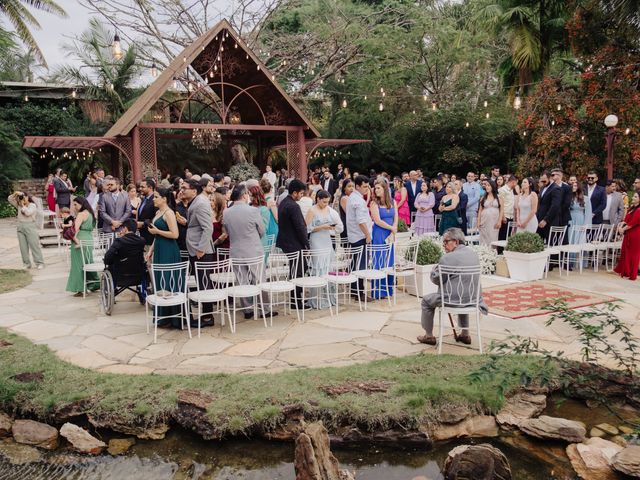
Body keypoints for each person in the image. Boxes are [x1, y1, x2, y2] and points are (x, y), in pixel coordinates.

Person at [417, 227, 488, 346]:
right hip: (473, 298)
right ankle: (465, 334)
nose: (444, 245)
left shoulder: (447, 258)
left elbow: (437, 280)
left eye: (446, 242)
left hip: (451, 299)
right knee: (462, 293)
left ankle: (429, 335)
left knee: (426, 301)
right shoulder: (473, 254)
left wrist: (434, 270)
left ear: (456, 242)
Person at [225, 185, 277, 319]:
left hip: (236, 250)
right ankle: (264, 309)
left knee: (241, 279)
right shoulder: (253, 211)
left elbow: (227, 231)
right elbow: (262, 230)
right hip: (253, 249)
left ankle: (247, 309)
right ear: (243, 196)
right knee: (259, 279)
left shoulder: (227, 212)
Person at [146, 187, 183, 329]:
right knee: (160, 278)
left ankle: (174, 317)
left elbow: (175, 234)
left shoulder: (169, 213)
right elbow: (157, 236)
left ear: (164, 199)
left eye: (156, 197)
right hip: (160, 248)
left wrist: (157, 231)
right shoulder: (158, 212)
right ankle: (163, 316)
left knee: (168, 278)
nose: (153, 199)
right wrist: (151, 250)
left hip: (169, 249)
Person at [183, 178, 215, 327]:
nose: (182, 190)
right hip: (195, 248)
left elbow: (208, 228)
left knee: (204, 283)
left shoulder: (200, 203)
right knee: (201, 282)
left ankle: (208, 317)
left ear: (194, 190)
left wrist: (201, 249)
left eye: (185, 188)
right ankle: (206, 315)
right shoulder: (194, 202)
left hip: (201, 250)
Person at [305, 189, 343, 308]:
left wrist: (333, 228)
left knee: (327, 266)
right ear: (318, 199)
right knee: (318, 267)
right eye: (324, 202)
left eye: (327, 202)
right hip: (316, 240)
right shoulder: (312, 210)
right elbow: (306, 228)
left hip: (327, 240)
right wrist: (322, 227)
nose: (326, 204)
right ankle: (317, 299)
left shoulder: (330, 210)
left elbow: (339, 227)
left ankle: (328, 297)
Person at [370, 180, 397, 299]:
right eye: (375, 188)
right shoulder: (374, 203)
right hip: (379, 233)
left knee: (389, 261)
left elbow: (396, 217)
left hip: (390, 234)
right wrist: (392, 228)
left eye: (378, 188)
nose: (376, 190)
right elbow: (377, 221)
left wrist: (393, 231)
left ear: (385, 189)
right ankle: (378, 291)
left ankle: (387, 291)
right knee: (379, 261)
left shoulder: (393, 202)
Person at [65, 196, 97, 295]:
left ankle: (80, 289)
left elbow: (75, 230)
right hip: (89, 239)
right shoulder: (91, 213)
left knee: (77, 265)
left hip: (80, 240)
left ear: (81, 203)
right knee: (88, 262)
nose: (74, 207)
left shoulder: (81, 214)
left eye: (75, 204)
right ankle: (95, 284)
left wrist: (75, 240)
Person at [346, 175, 372, 297]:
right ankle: (359, 292)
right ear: (357, 186)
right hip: (360, 236)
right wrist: (367, 235)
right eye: (364, 186)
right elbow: (361, 221)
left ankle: (354, 290)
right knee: (361, 265)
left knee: (356, 263)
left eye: (367, 186)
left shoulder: (352, 197)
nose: (367, 189)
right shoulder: (358, 200)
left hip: (354, 235)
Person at [7, 191, 45, 270]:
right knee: (23, 247)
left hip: (30, 226)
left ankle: (39, 263)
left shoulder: (32, 205)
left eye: (24, 196)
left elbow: (28, 213)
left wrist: (23, 205)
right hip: (20, 226)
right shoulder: (19, 204)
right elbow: (10, 199)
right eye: (22, 197)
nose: (23, 198)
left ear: (28, 197)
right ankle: (26, 264)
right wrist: (16, 193)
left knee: (34, 246)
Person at [103, 218, 146, 284]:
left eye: (122, 228)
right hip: (138, 272)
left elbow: (108, 256)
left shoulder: (119, 241)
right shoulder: (142, 240)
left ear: (125, 228)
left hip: (120, 273)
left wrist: (107, 261)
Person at [614, 192, 640, 281]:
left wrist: (623, 229)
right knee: (625, 252)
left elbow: (633, 223)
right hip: (628, 233)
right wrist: (621, 226)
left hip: (635, 234)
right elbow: (626, 220)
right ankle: (624, 271)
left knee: (633, 254)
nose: (633, 197)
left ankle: (631, 273)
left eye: (636, 196)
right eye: (634, 196)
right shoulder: (632, 208)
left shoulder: (639, 210)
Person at [536, 171, 561, 242]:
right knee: (538, 243)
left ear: (550, 178)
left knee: (551, 246)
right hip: (539, 220)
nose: (543, 182)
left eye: (544, 180)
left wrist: (545, 220)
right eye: (541, 181)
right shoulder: (543, 188)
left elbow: (555, 206)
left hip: (550, 222)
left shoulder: (556, 188)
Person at [477, 179, 503, 247]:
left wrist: (499, 221)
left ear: (493, 186)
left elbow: (501, 210)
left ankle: (493, 254)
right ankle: (483, 254)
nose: (487, 187)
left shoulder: (499, 197)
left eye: (488, 185)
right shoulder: (483, 198)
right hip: (484, 221)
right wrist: (478, 222)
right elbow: (480, 210)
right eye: (486, 185)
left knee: (493, 238)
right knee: (484, 238)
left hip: (494, 221)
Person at [568, 180, 591, 245]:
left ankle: (578, 254)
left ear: (579, 187)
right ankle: (571, 254)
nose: (573, 187)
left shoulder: (586, 199)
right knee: (570, 236)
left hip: (580, 219)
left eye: (575, 186)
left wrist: (585, 225)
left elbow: (588, 213)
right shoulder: (569, 198)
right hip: (571, 219)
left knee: (579, 238)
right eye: (572, 186)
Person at [136, 178, 157, 246]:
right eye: (140, 187)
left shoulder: (155, 200)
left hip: (151, 236)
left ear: (150, 187)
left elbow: (157, 218)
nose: (140, 189)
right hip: (142, 236)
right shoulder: (143, 199)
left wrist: (143, 224)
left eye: (142, 187)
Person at [498, 175, 517, 240]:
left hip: (511, 216)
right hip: (505, 216)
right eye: (516, 183)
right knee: (502, 236)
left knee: (508, 236)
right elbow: (500, 205)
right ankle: (500, 250)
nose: (516, 185)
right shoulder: (502, 190)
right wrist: (503, 216)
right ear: (512, 182)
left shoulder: (512, 190)